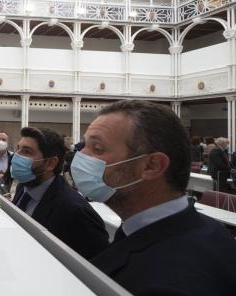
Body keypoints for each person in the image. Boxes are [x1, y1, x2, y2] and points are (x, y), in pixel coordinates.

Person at [71, 100, 236, 295]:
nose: (81, 155)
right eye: (84, 145)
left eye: (97, 148)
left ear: (151, 166)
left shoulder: (168, 285)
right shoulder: (206, 228)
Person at [11, 127, 109, 258]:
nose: (16, 156)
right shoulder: (24, 187)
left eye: (27, 151)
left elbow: (95, 267)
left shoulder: (75, 211)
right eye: (18, 149)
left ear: (51, 163)